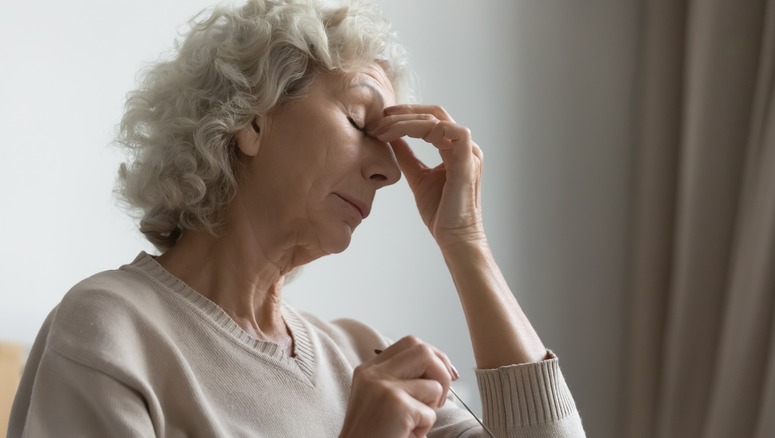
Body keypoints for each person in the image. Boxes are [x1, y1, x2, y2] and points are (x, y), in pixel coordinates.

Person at [9, 0, 586, 436]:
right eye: (362, 123)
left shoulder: (365, 356)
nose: (389, 171)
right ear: (252, 119)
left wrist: (466, 241)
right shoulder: (112, 328)